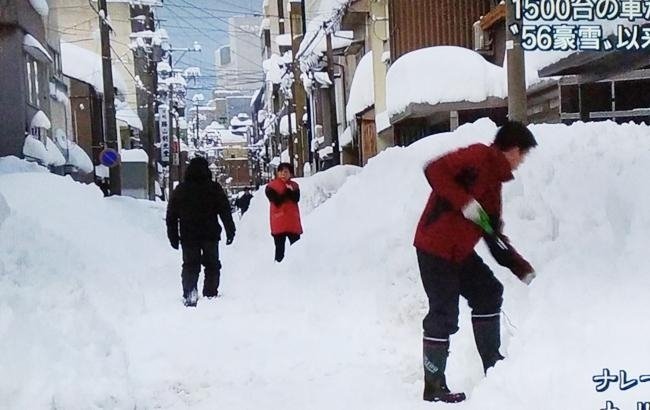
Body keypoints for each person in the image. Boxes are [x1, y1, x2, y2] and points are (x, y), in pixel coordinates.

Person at [413, 121, 537, 402]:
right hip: (435, 246)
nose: (522, 161)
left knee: (488, 292)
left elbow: (493, 235)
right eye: (523, 154)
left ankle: (493, 366)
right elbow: (434, 170)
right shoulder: (478, 156)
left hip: (459, 253)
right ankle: (433, 386)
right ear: (513, 150)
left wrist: (524, 272)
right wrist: (464, 201)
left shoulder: (494, 183)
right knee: (443, 313)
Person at [166, 156, 236, 307]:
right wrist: (230, 230)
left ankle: (190, 291)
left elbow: (171, 215)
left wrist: (172, 236)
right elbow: (225, 211)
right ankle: (210, 292)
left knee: (190, 264)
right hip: (210, 233)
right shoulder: (214, 188)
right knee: (212, 264)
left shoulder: (181, 190)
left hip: (188, 235)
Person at [265, 162, 302, 262]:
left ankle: (298, 267)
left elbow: (296, 198)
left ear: (290, 173)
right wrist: (287, 191)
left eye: (286, 172)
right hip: (278, 221)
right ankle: (278, 269)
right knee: (280, 249)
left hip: (292, 222)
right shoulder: (271, 187)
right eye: (280, 171)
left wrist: (290, 192)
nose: (283, 174)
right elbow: (276, 201)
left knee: (296, 247)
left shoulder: (295, 186)